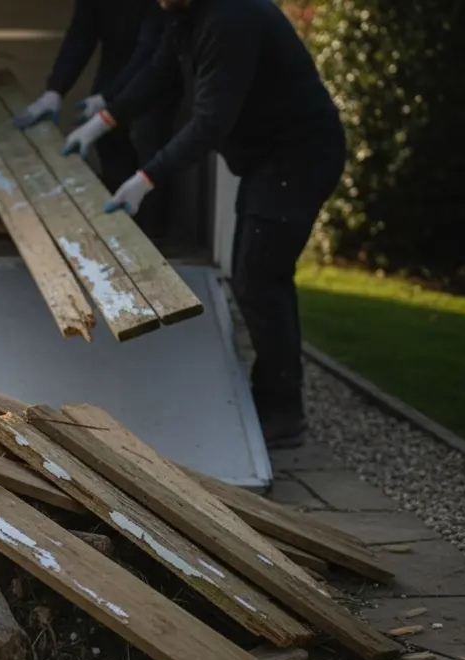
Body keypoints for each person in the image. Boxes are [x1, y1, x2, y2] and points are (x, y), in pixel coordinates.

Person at [62, 0, 346, 448]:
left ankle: (282, 413)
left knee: (259, 280)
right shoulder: (186, 16)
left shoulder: (231, 19)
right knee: (256, 278)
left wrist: (145, 178)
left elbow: (211, 122)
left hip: (299, 157)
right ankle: (273, 398)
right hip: (269, 161)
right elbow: (158, 76)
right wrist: (102, 122)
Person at [14, 0, 177, 238]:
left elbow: (150, 49)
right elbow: (81, 35)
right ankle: (121, 230)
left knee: (149, 146)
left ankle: (153, 238)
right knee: (109, 145)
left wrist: (108, 98)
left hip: (153, 74)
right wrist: (56, 90)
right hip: (114, 70)